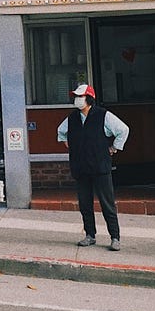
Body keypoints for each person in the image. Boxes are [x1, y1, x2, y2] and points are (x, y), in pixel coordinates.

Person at [55, 82, 128, 250]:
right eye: (76, 97)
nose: (77, 100)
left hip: (100, 166)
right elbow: (60, 131)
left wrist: (115, 147)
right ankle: (90, 235)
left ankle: (115, 237)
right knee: (85, 204)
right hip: (80, 167)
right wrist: (67, 142)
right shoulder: (72, 118)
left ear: (89, 99)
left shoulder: (103, 115)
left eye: (80, 97)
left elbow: (123, 130)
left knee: (107, 204)